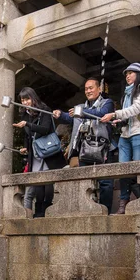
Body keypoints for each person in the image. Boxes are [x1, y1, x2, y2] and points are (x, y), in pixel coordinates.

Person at [53, 78, 115, 213]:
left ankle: (106, 211)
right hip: (85, 148)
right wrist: (60, 114)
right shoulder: (81, 107)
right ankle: (88, 210)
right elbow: (70, 118)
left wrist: (81, 112)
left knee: (106, 182)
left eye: (91, 88)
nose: (88, 91)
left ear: (99, 89)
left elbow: (101, 114)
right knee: (84, 181)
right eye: (86, 89)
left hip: (103, 147)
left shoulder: (107, 103)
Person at [101, 62, 140, 214]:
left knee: (137, 169)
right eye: (126, 74)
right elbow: (127, 114)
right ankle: (123, 203)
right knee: (123, 170)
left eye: (131, 73)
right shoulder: (127, 92)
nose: (128, 76)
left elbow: (136, 109)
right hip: (125, 134)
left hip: (139, 133)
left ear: (139, 74)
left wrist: (115, 114)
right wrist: (118, 120)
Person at [14, 87, 65, 218]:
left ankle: (47, 209)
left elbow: (45, 129)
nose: (25, 102)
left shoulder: (44, 110)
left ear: (33, 98)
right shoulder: (25, 114)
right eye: (22, 100)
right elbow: (27, 136)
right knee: (37, 182)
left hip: (48, 150)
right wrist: (25, 147)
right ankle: (39, 211)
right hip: (35, 152)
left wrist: (28, 124)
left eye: (27, 99)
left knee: (48, 181)